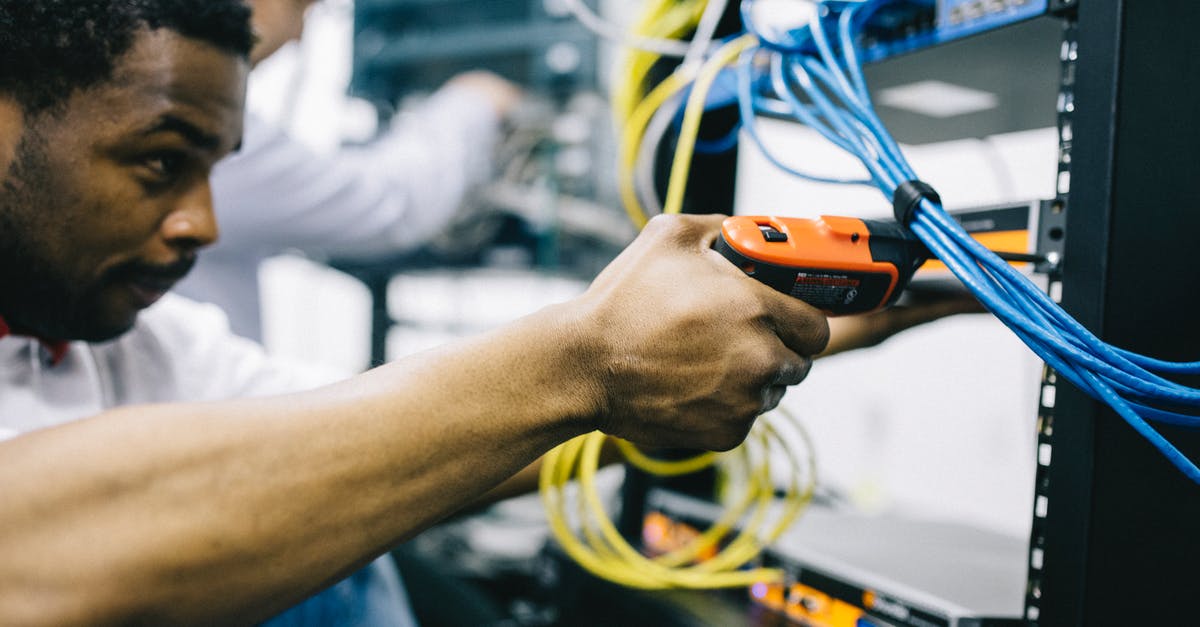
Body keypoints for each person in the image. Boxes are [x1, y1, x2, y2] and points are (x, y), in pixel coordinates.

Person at [0, 2, 833, 624]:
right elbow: (34, 547)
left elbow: (377, 433)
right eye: (160, 161)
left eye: (214, 170)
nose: (203, 224)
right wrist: (588, 361)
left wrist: (726, 343)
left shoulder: (136, 340)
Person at [174, 0, 525, 341]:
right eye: (298, 8)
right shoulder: (203, 132)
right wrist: (475, 99)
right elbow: (390, 204)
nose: (298, 34)